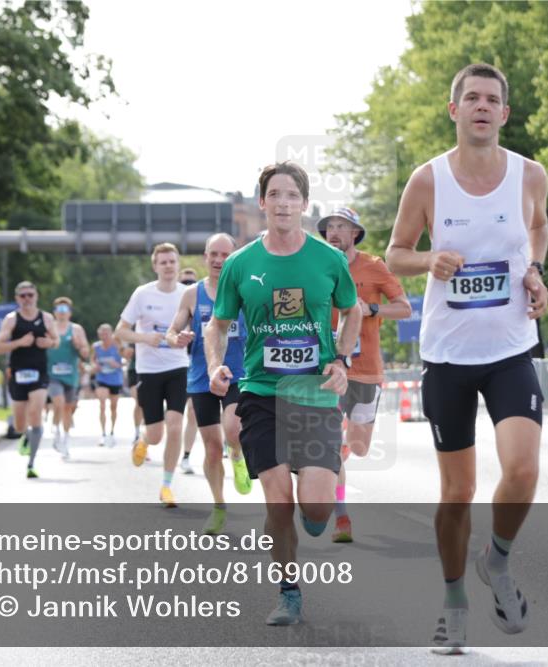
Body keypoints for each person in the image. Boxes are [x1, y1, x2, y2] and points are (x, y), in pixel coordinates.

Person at [386, 63, 548, 650]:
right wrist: (428, 261)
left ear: (505, 114)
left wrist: (536, 274)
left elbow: (539, 231)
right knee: (457, 492)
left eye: (493, 100)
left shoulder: (530, 175)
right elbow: (394, 254)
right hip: (449, 356)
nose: (482, 107)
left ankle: (497, 561)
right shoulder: (427, 181)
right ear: (453, 110)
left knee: (524, 470)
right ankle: (454, 600)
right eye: (471, 98)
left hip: (509, 349)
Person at [205, 161, 360, 626]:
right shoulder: (240, 263)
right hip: (261, 392)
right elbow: (218, 325)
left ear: (304, 205)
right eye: (275, 194)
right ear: (262, 203)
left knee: (313, 508)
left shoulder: (329, 260)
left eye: (292, 195)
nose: (283, 203)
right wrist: (216, 365)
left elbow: (352, 312)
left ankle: (318, 511)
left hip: (313, 393)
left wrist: (340, 358)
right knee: (278, 500)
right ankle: (288, 591)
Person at [318, 206, 411, 543]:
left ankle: (341, 451)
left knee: (357, 447)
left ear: (355, 233)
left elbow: (405, 308)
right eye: (330, 226)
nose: (334, 232)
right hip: (329, 369)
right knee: (329, 444)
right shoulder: (316, 264)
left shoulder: (373, 266)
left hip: (367, 370)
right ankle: (341, 516)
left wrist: (371, 308)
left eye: (341, 226)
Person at [167, 232, 253, 535]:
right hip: (202, 379)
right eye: (213, 254)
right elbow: (172, 329)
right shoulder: (192, 294)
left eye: (224, 255)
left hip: (237, 374)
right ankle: (218, 506)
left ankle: (240, 456)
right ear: (205, 256)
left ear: (234, 258)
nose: (218, 260)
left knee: (233, 430)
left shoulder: (245, 291)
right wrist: (176, 337)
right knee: (212, 450)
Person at [115, 243, 191, 507]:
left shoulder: (187, 294)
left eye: (172, 261)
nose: (169, 266)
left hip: (178, 367)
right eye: (163, 262)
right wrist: (144, 337)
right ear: (155, 266)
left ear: (178, 264)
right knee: (157, 434)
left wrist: (186, 337)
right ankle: (144, 439)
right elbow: (120, 331)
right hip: (148, 370)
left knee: (175, 426)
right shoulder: (142, 294)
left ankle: (167, 486)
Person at [0, 281, 59, 478]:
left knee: (36, 412)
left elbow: (56, 341)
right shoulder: (11, 320)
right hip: (17, 375)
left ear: (36, 296)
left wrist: (49, 342)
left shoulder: (46, 318)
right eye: (23, 296)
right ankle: (26, 436)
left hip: (39, 374)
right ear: (17, 299)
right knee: (20, 424)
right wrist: (20, 342)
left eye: (30, 295)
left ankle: (31, 463)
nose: (27, 299)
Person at [47, 296, 90, 458]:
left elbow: (85, 352)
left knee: (67, 408)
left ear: (70, 313)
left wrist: (78, 345)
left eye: (65, 310)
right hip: (52, 373)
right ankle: (56, 431)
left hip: (71, 375)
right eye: (59, 310)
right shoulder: (49, 328)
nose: (62, 313)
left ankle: (65, 439)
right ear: (54, 312)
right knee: (59, 402)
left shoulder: (76, 329)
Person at [177, 267, 200, 474]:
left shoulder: (199, 301)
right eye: (184, 282)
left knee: (194, 412)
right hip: (178, 365)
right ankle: (185, 455)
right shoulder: (180, 301)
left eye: (191, 281)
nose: (188, 285)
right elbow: (170, 332)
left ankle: (230, 445)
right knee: (185, 412)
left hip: (199, 363)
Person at [91, 323, 124, 446]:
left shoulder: (117, 345)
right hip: (102, 378)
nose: (104, 335)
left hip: (115, 379)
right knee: (102, 403)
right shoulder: (96, 347)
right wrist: (95, 365)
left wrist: (118, 365)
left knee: (113, 407)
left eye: (106, 333)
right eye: (102, 333)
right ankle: (103, 433)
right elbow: (92, 359)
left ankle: (112, 431)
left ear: (111, 333)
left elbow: (125, 360)